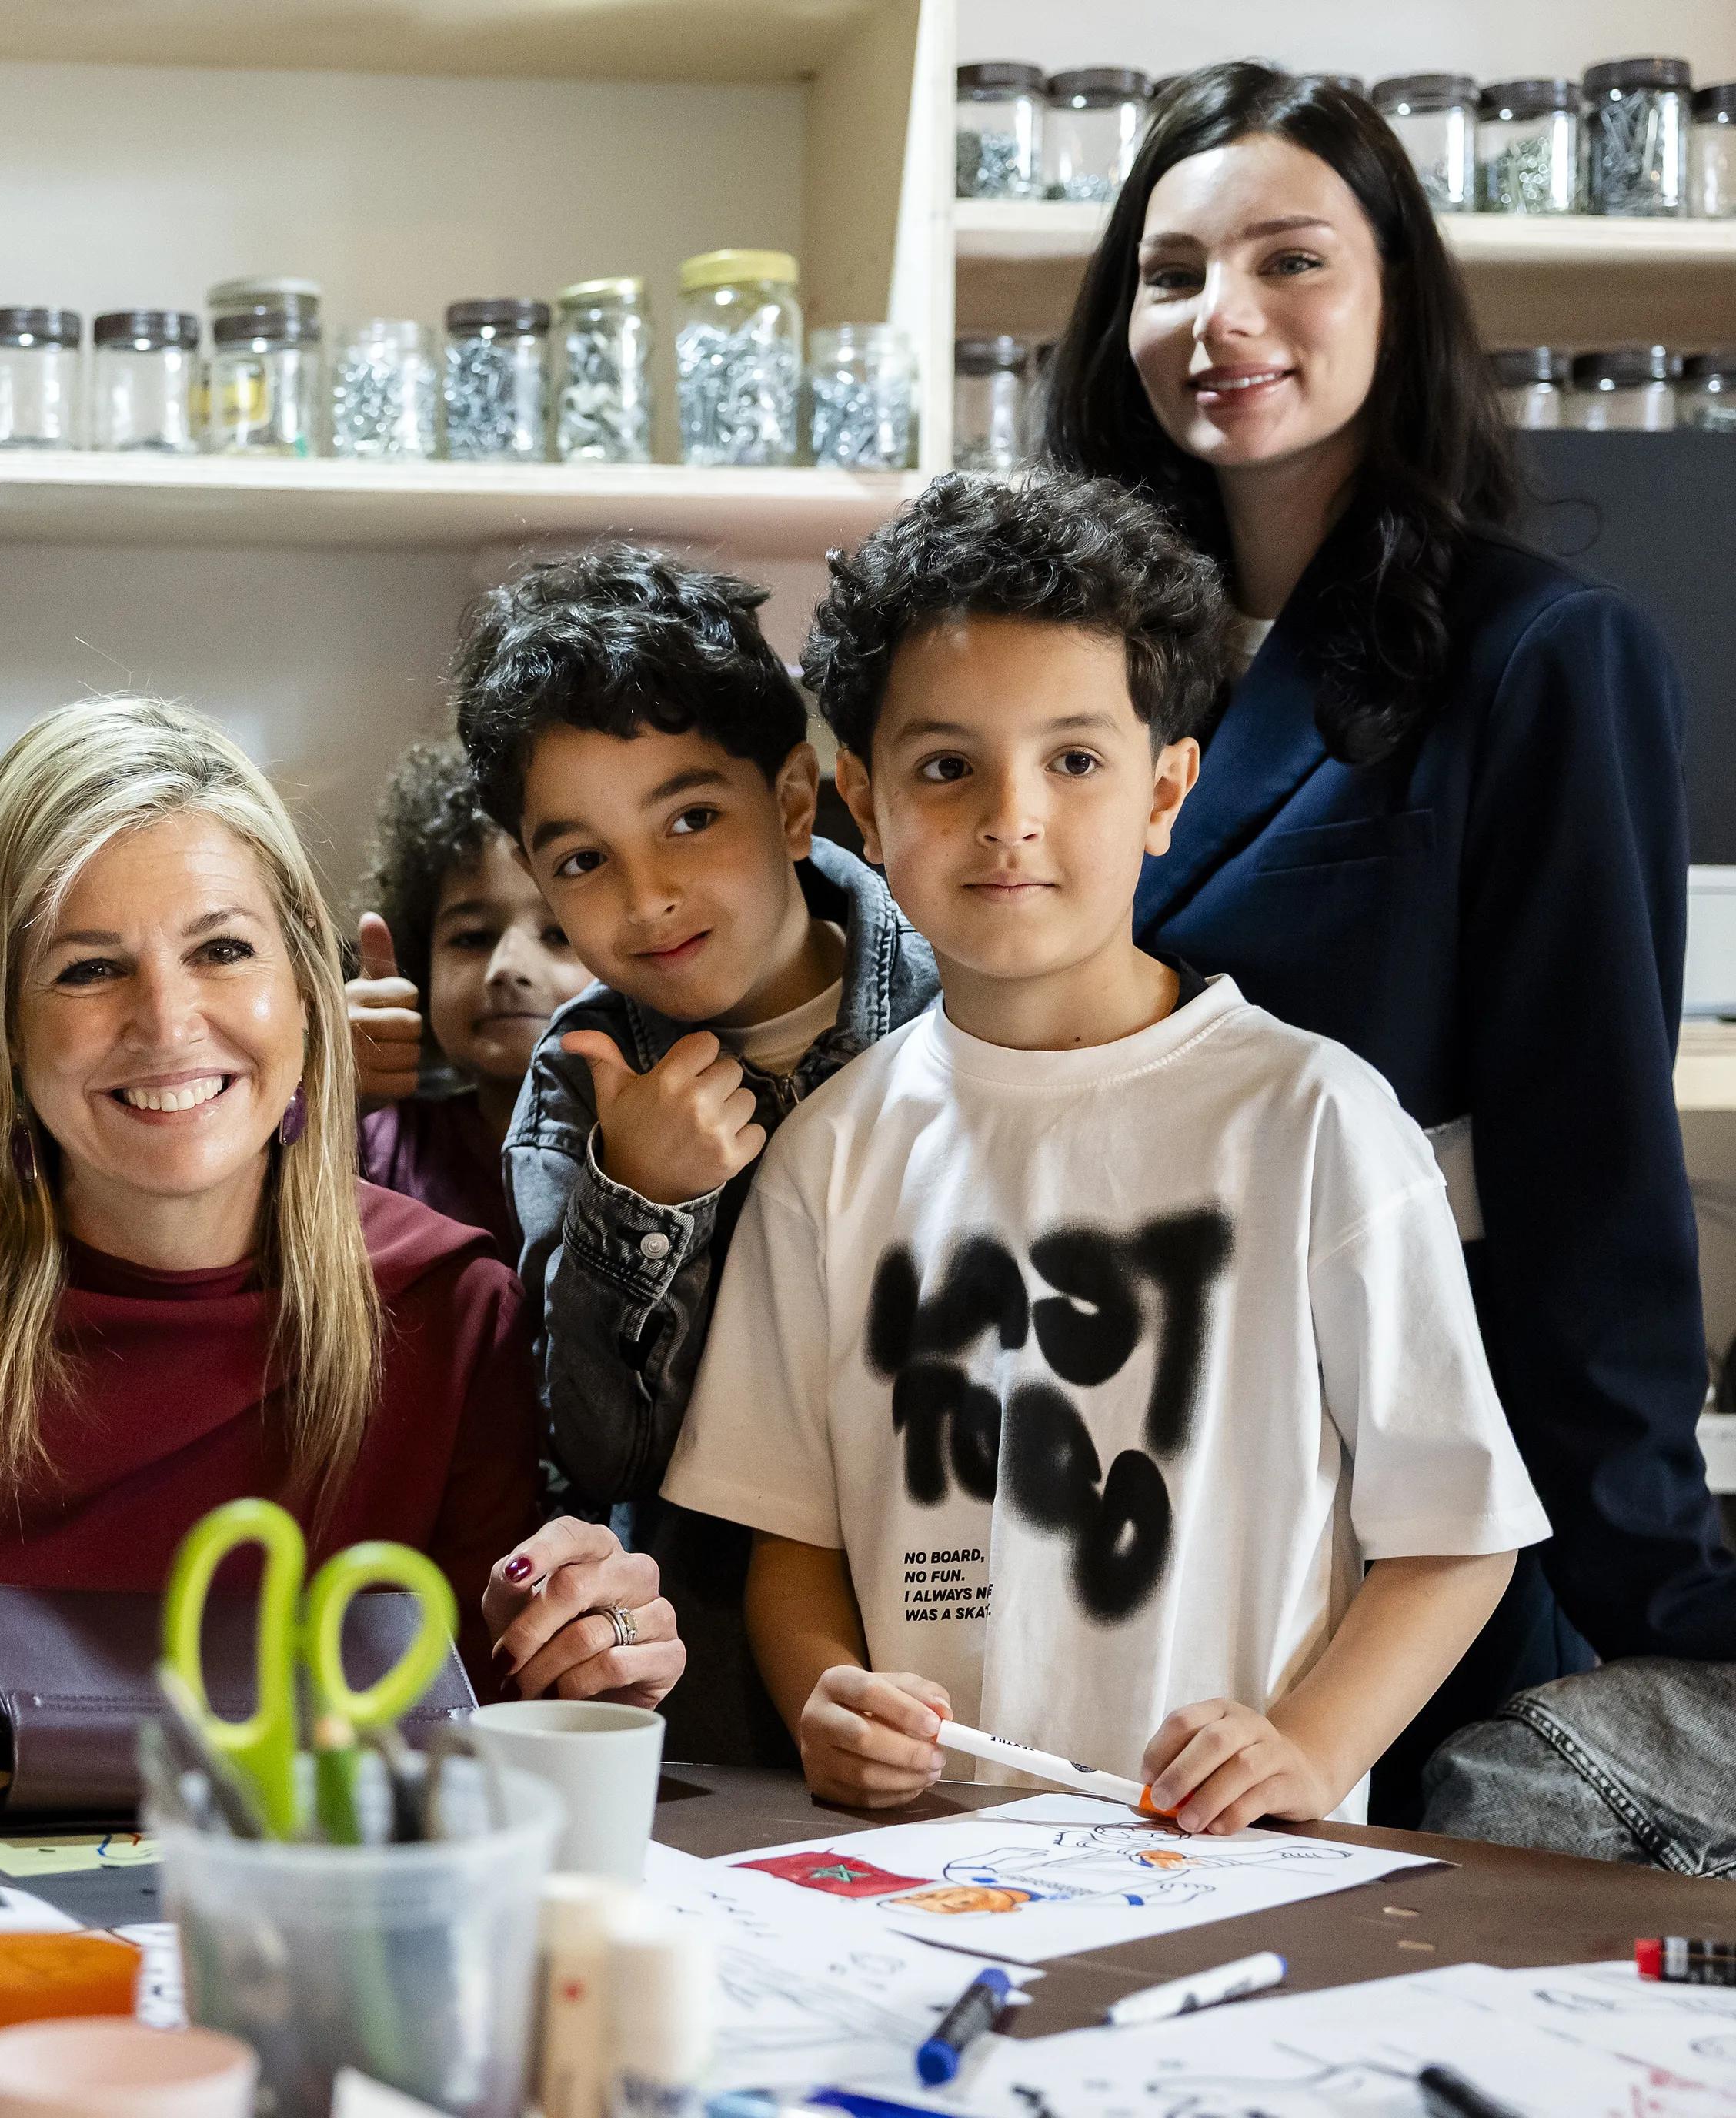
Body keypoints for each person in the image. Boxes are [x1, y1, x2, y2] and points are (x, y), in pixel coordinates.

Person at [1038, 63, 1736, 1822]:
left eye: (1289, 262)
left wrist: (1650, 1604)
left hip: (1402, 1490)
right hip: (1096, 1443)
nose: (1222, 319)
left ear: (1397, 296)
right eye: (1170, 270)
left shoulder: (1538, 656)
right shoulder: (1076, 660)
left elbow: (1588, 1166)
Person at [665, 469, 1549, 1834]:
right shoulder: (829, 1154)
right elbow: (795, 1537)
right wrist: (825, 1696)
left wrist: (1309, 1752)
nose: (1010, 815)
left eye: (1074, 760)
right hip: (918, 1872)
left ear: (1164, 791)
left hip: (1230, 1868)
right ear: (861, 797)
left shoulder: (1318, 1122)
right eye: (946, 766)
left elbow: (1458, 1531)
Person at [0, 697, 683, 1705]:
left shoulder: (449, 1312)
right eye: (89, 969)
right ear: (4, 1023)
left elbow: (477, 1731)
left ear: (306, 981)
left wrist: (581, 1650)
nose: (167, 1023)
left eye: (221, 951)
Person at [455, 546, 936, 1762]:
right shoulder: (583, 1081)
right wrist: (640, 1198)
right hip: (716, 1699)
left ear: (791, 802)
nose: (649, 893)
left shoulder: (963, 996)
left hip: (963, 1635)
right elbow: (604, 1449)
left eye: (690, 818)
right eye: (582, 860)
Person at [347, 736, 593, 1261]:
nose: (507, 969)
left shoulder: (675, 1145)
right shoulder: (378, 1145)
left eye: (559, 935)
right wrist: (325, 1095)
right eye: (473, 938)